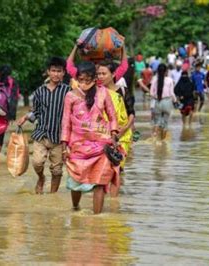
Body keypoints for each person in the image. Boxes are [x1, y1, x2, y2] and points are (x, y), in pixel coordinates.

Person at [61, 61, 120, 214]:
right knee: (76, 180)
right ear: (76, 79)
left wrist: (113, 134)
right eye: (81, 80)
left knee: (99, 182)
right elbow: (66, 122)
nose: (84, 84)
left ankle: (97, 218)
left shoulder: (103, 93)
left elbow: (112, 116)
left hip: (101, 145)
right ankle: (75, 208)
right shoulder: (70, 96)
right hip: (77, 146)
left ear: (94, 79)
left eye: (88, 80)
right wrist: (64, 145)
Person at [17, 57, 70, 194]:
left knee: (57, 170)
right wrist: (26, 117)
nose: (56, 74)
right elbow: (37, 111)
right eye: (53, 71)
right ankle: (41, 178)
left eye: (59, 71)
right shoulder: (39, 92)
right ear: (48, 72)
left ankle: (52, 196)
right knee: (37, 162)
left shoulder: (68, 91)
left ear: (64, 73)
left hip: (59, 137)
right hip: (41, 134)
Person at [97, 60, 134, 197]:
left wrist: (122, 131)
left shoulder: (123, 91)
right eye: (98, 74)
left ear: (113, 74)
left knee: (116, 169)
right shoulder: (96, 93)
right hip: (103, 135)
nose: (100, 77)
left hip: (122, 137)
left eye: (103, 73)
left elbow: (131, 114)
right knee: (104, 169)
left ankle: (113, 202)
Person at [0, 65, 20, 155]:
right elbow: (14, 99)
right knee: (1, 130)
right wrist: (12, 115)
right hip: (4, 111)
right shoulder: (13, 82)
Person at [150, 63, 177, 142]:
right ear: (166, 71)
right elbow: (172, 93)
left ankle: (155, 139)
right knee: (165, 123)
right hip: (167, 102)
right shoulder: (170, 80)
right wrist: (175, 100)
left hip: (157, 102)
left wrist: (156, 97)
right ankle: (162, 141)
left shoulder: (155, 79)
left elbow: (151, 93)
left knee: (157, 122)